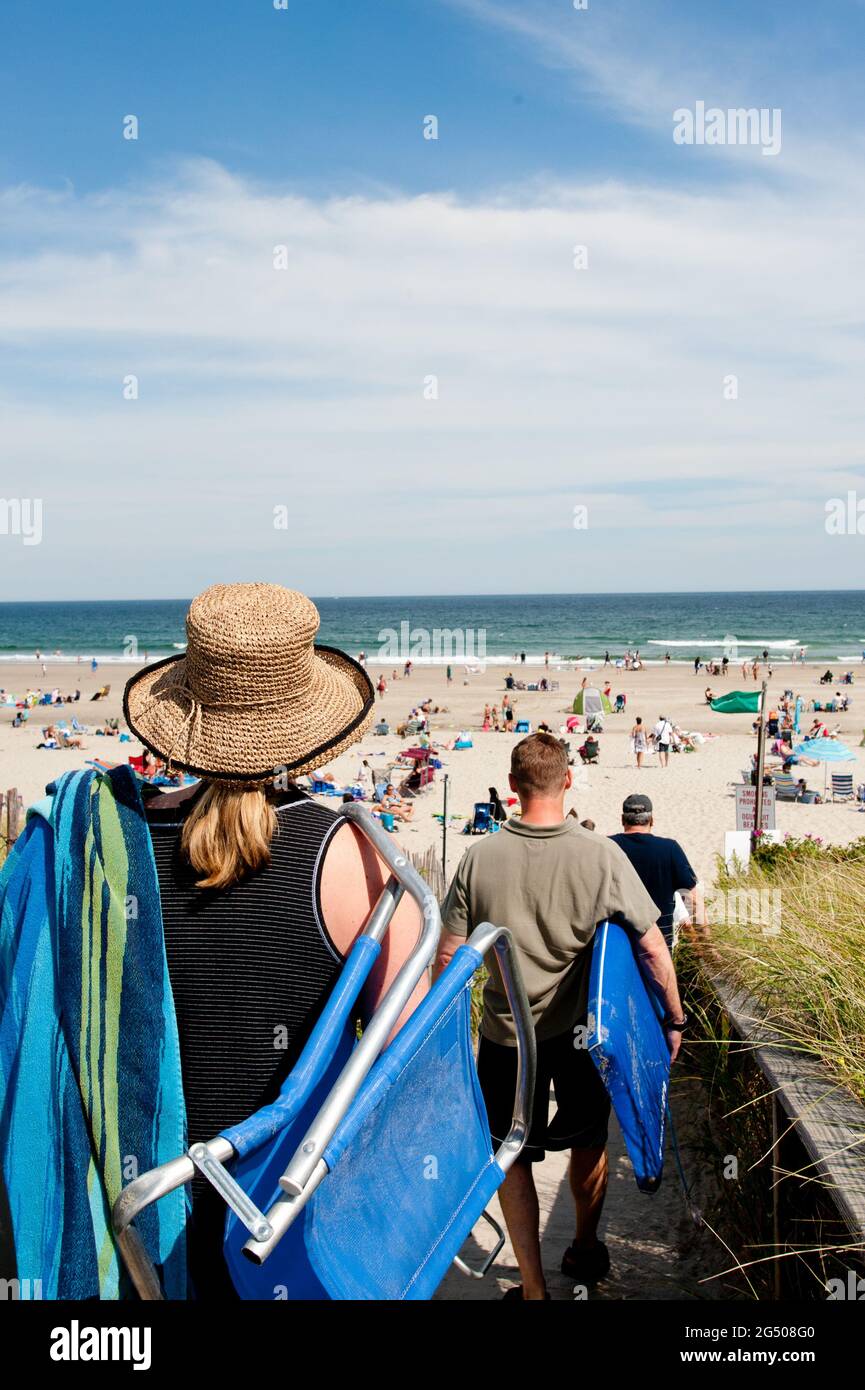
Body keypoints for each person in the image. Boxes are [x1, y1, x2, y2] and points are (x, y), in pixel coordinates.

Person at [0, 582, 427, 1301]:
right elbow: (411, 1070)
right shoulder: (357, 859)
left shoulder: (100, 847)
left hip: (129, 1207)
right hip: (281, 1211)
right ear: (307, 716)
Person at [435, 734, 684, 1300]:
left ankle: (531, 1287)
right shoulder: (600, 854)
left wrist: (445, 1038)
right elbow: (650, 947)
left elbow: (450, 957)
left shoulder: (479, 856)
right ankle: (585, 1246)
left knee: (511, 1154)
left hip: (504, 1039)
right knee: (589, 1139)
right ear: (568, 780)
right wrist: (673, 1018)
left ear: (514, 786)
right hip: (580, 1037)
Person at [610, 794, 701, 950]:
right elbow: (694, 899)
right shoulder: (669, 849)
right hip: (658, 948)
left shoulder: (607, 847)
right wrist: (707, 944)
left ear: (622, 819)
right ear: (651, 820)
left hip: (615, 946)